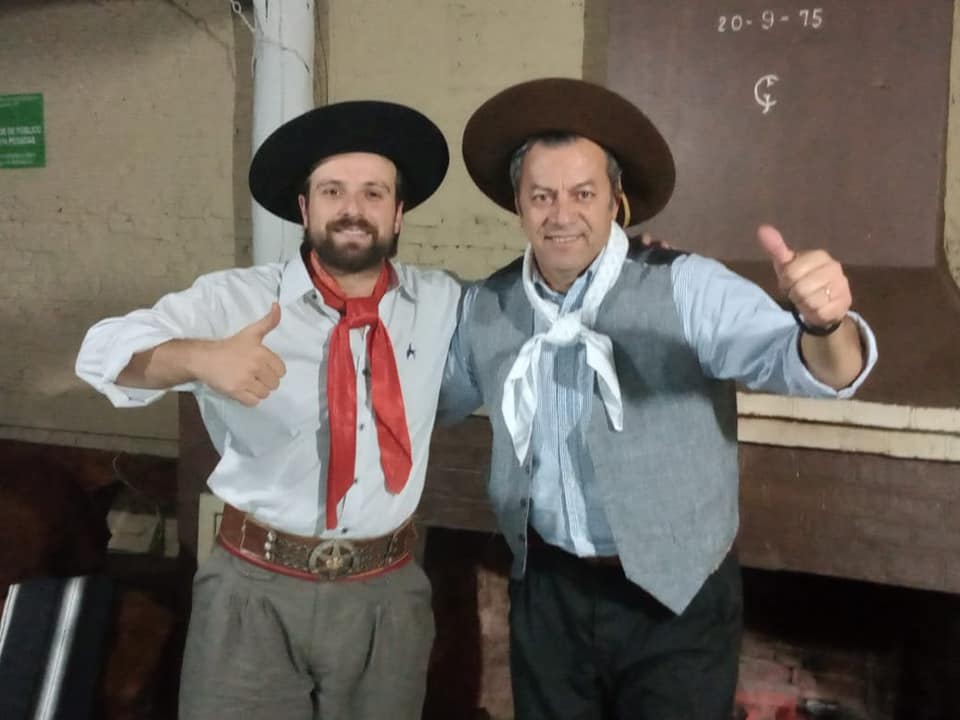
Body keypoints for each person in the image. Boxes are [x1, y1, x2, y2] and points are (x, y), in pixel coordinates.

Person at [439, 78, 878, 720]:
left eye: (583, 193)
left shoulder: (687, 287)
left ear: (615, 201)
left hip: (678, 598)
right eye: (542, 195)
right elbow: (429, 397)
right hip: (549, 595)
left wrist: (826, 324)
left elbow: (811, 369)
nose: (562, 214)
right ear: (519, 206)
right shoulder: (487, 307)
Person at [75, 100, 461, 720]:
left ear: (397, 212)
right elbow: (101, 353)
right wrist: (199, 358)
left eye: (373, 193)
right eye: (332, 191)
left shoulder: (441, 301)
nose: (353, 208)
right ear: (305, 208)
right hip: (253, 589)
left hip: (387, 594)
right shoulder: (235, 300)